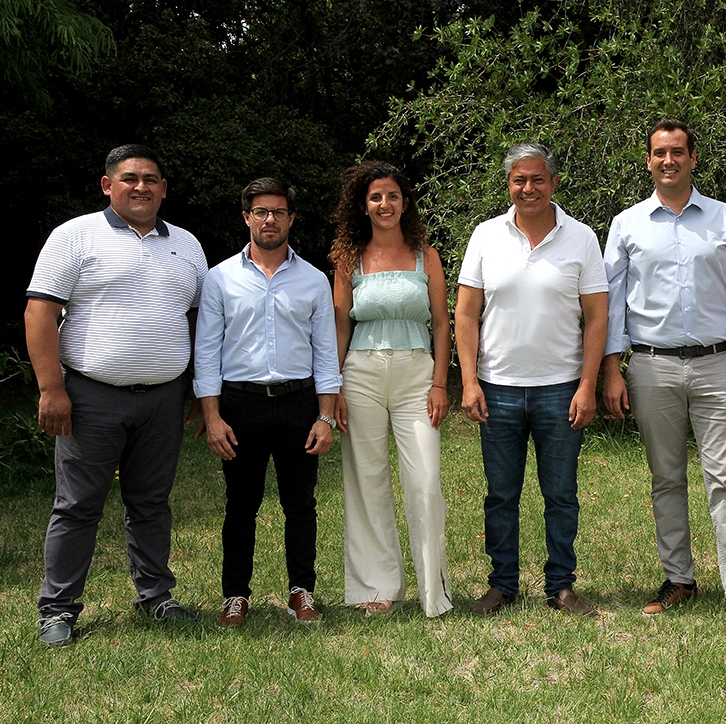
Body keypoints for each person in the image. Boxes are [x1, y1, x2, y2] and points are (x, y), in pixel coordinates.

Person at [26, 144, 207, 646]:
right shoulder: (75, 236)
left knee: (151, 502)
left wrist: (198, 389)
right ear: (108, 185)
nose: (141, 186)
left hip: (164, 397)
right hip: (90, 396)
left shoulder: (187, 245)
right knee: (78, 505)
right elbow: (40, 312)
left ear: (164, 188)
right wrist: (51, 388)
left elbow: (199, 321)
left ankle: (156, 598)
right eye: (129, 178)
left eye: (151, 178)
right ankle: (57, 610)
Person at [603, 119, 726, 637]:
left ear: (694, 158)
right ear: (648, 160)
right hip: (651, 366)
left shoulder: (725, 219)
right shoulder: (627, 225)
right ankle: (679, 579)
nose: (667, 160)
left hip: (720, 364)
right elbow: (611, 303)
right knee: (666, 477)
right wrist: (613, 368)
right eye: (658, 153)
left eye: (677, 152)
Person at [456, 142, 607, 617]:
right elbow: (465, 313)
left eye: (538, 179)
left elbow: (597, 318)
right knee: (501, 493)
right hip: (496, 388)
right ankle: (502, 584)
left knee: (560, 493)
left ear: (554, 182)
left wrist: (588, 386)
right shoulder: (485, 235)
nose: (529, 188)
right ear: (508, 185)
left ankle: (560, 585)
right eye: (519, 180)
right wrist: (469, 381)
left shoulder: (580, 237)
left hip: (561, 388)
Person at [194, 177, 342, 628]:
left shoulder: (314, 279)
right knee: (241, 504)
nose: (269, 219)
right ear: (247, 217)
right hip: (242, 405)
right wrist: (213, 416)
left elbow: (325, 353)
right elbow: (206, 351)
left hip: (299, 403)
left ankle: (302, 591)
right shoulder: (219, 279)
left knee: (301, 504)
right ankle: (235, 595)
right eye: (260, 211)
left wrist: (325, 416)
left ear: (291, 219)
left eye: (278, 212)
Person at [329, 161, 452, 618]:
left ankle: (432, 593)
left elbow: (442, 322)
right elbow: (340, 325)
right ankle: (375, 589)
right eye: (376, 197)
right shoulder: (348, 258)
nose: (385, 204)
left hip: (418, 375)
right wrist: (333, 385)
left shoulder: (426, 254)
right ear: (364, 205)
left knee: (425, 482)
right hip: (360, 373)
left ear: (405, 202)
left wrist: (441, 382)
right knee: (367, 480)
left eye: (393, 196)